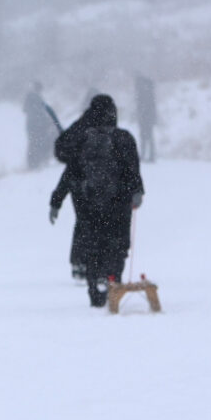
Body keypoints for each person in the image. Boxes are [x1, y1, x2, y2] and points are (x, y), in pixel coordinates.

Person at [51, 91, 145, 307]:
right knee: (117, 244)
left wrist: (57, 199)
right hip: (119, 203)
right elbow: (133, 170)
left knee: (94, 244)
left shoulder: (82, 138)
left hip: (89, 202)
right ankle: (112, 283)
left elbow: (70, 171)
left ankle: (96, 288)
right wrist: (137, 192)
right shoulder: (124, 139)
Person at [24, 82, 59, 170]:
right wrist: (47, 122)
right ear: (39, 89)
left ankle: (33, 163)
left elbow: (24, 109)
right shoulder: (37, 97)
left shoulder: (29, 97)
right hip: (38, 124)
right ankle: (37, 163)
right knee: (40, 142)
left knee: (33, 142)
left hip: (30, 124)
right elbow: (40, 112)